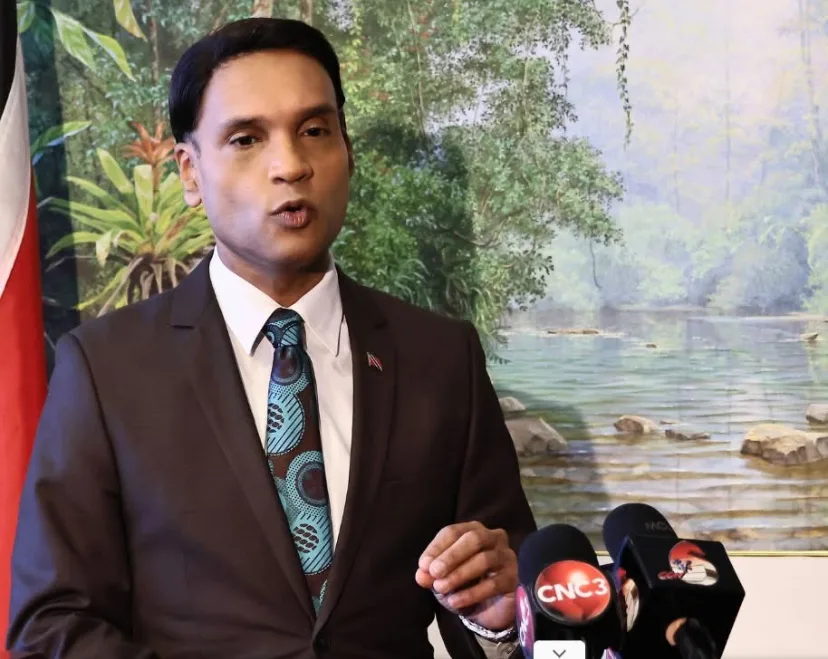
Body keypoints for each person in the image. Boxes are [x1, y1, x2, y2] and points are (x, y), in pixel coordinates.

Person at [7, 17, 536, 659]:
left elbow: (507, 596)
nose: (291, 166)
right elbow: (52, 625)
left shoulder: (440, 358)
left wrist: (498, 621)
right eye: (247, 139)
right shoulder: (107, 369)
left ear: (347, 150)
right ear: (190, 172)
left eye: (314, 131)